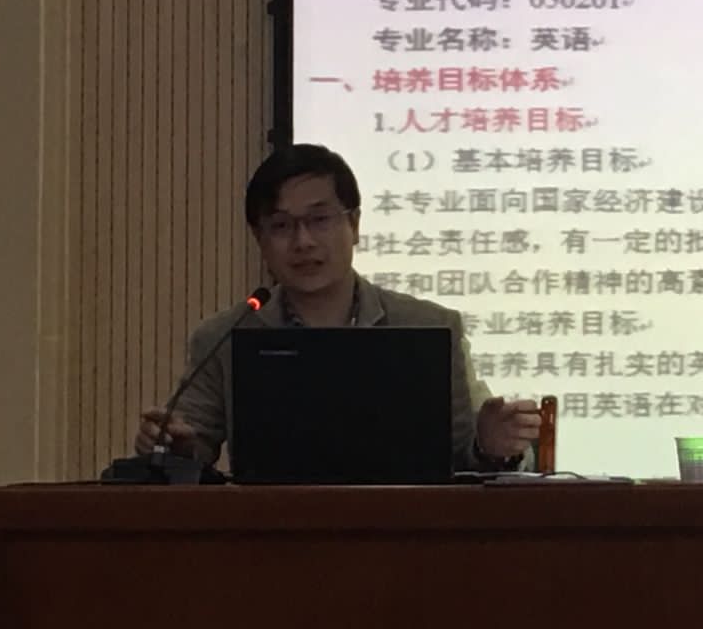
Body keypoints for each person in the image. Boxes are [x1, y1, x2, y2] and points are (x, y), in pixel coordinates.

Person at [135, 144, 539, 471]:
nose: (303, 241)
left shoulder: (430, 326)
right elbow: (192, 445)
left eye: (320, 220)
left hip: (407, 536)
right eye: (281, 226)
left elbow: (467, 459)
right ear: (260, 239)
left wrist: (491, 445)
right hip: (270, 537)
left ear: (355, 224)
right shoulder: (226, 334)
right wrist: (172, 446)